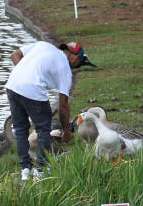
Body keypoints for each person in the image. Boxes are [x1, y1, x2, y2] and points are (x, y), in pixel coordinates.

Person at [5, 41, 93, 179]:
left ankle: (25, 171)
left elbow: (15, 54)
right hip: (32, 88)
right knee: (43, 130)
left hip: (13, 84)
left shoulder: (43, 45)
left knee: (21, 128)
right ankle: (40, 170)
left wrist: (24, 74)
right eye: (80, 60)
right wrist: (66, 131)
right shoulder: (65, 69)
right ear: (75, 57)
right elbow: (63, 106)